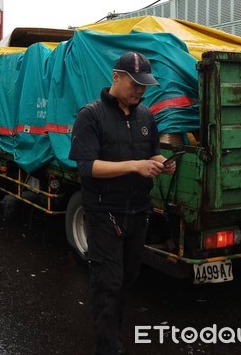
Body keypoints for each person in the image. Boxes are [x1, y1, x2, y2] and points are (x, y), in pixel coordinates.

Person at [68, 52, 176, 355]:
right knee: (108, 284)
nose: (140, 90)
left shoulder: (146, 116)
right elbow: (88, 167)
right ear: (116, 77)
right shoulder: (90, 115)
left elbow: (152, 153)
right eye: (135, 83)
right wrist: (134, 166)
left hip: (138, 212)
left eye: (145, 85)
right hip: (105, 214)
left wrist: (162, 162)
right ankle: (108, 347)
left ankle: (113, 335)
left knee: (128, 278)